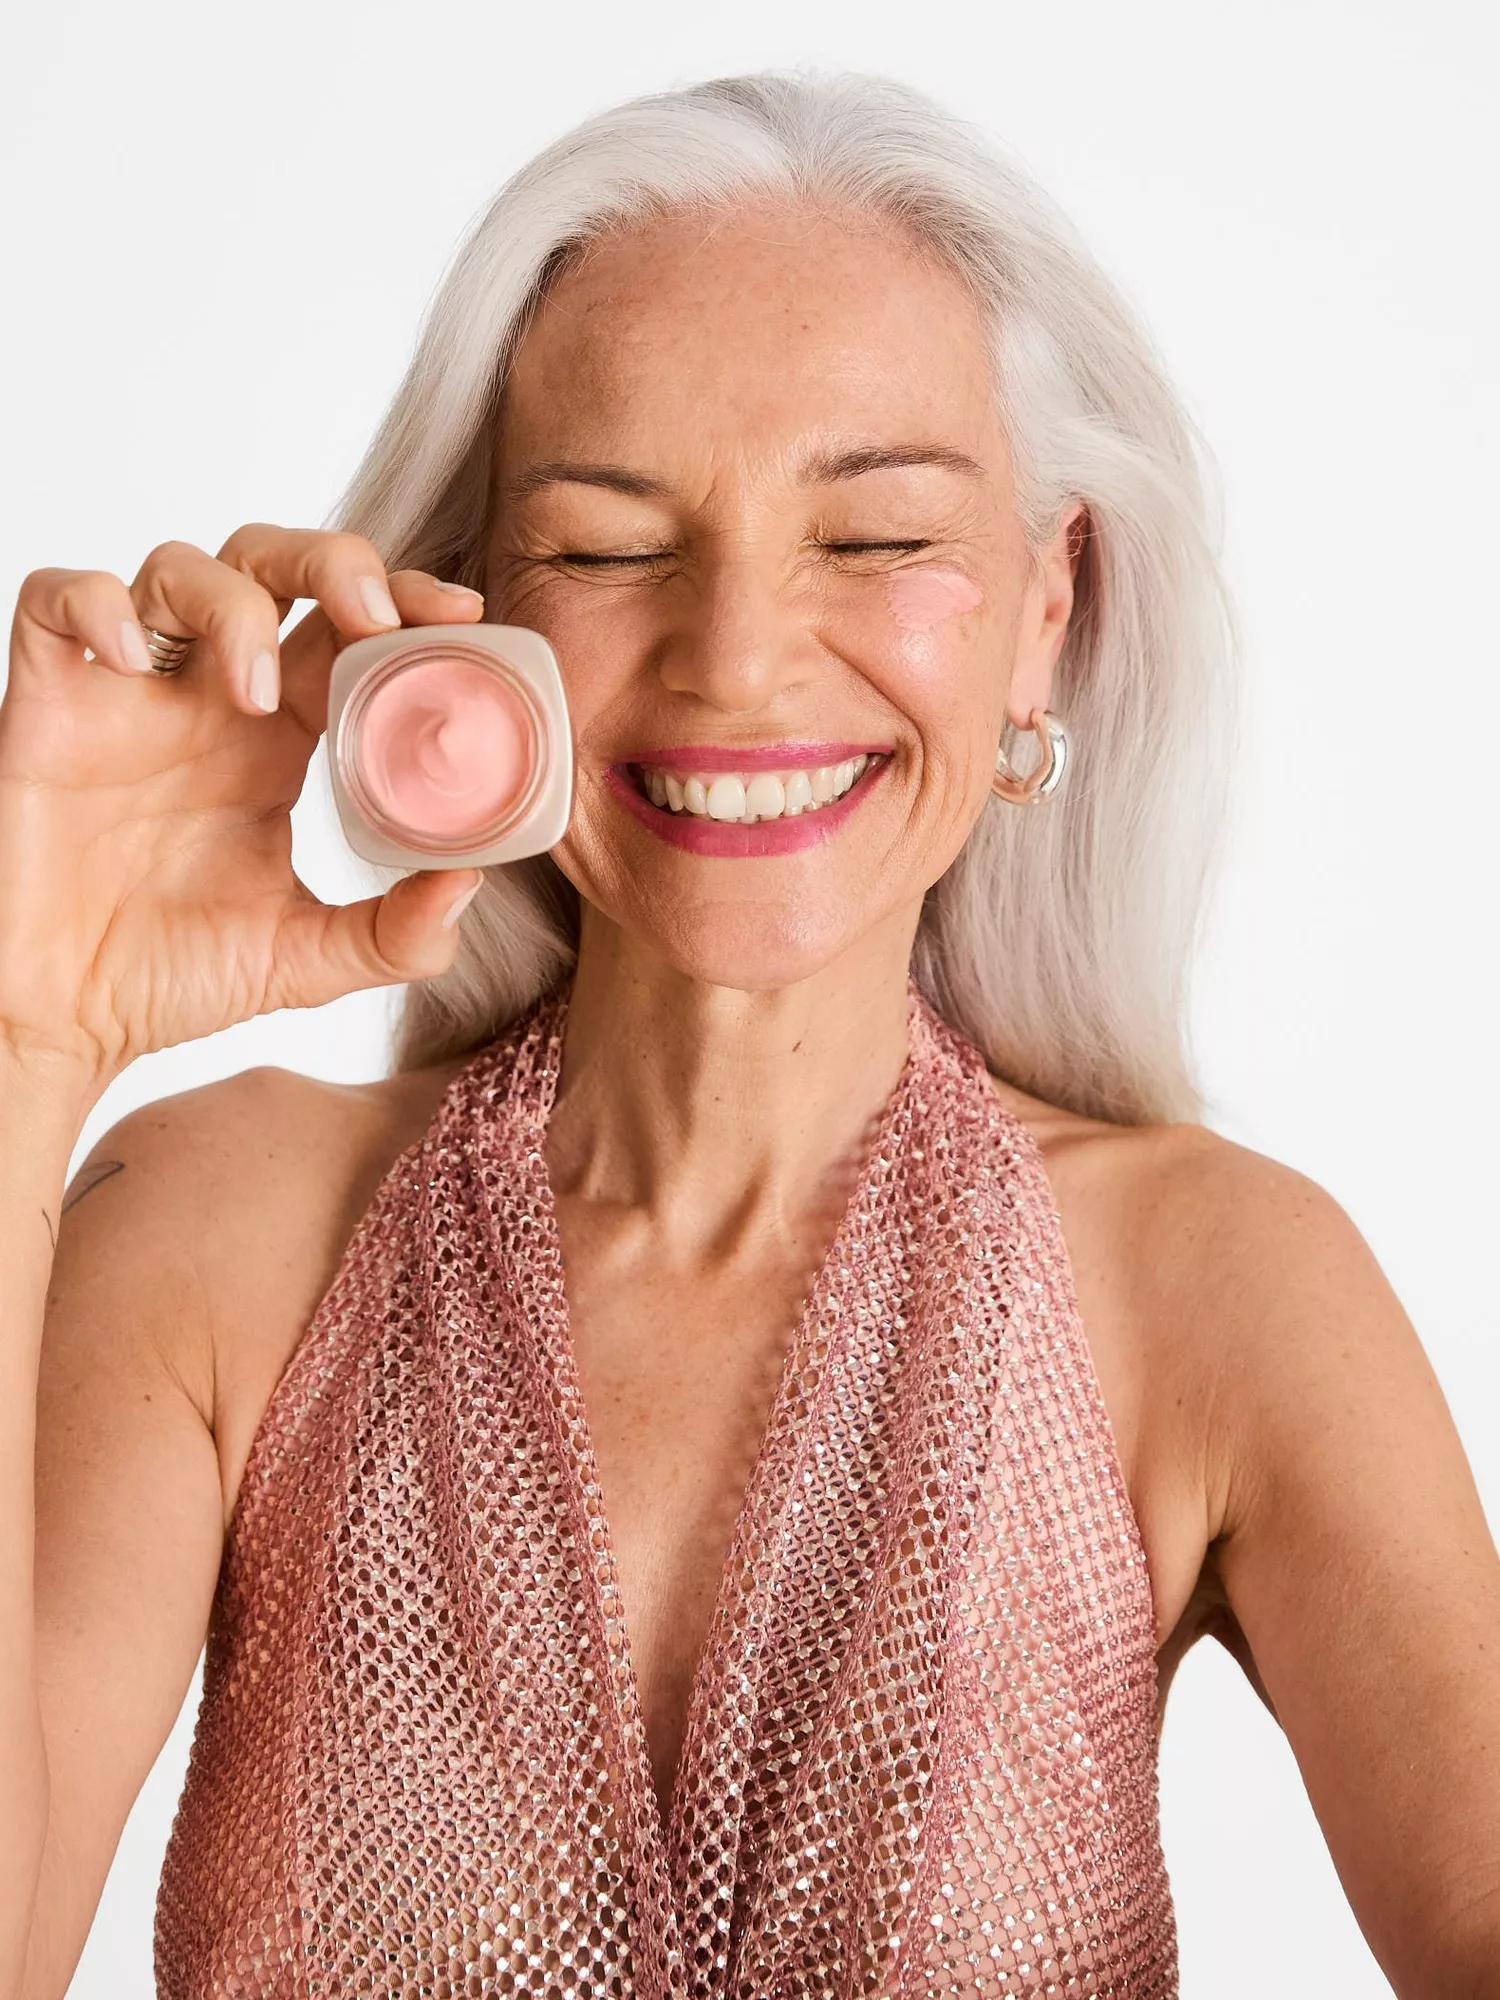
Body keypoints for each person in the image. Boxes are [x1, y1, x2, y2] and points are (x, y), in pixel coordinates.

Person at [2, 68, 1496, 2000]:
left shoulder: (1219, 1288)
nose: (735, 656)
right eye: (613, 547)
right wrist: (26, 1026)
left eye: (876, 539)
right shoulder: (217, 1240)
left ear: (1052, 606)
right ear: (465, 619)